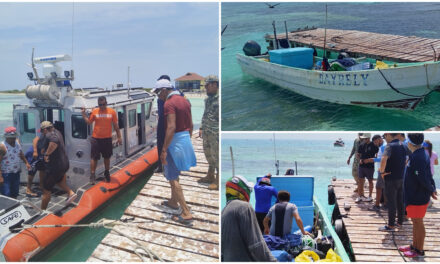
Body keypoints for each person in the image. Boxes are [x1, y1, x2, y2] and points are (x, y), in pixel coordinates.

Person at [153, 79, 196, 225]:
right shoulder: (185, 100)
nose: (158, 96)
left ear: (165, 90)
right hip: (184, 138)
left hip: (174, 140)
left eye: (158, 92)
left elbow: (171, 127)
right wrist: (188, 140)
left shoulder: (169, 103)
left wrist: (164, 149)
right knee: (176, 174)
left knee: (172, 176)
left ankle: (186, 212)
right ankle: (173, 201)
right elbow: (190, 124)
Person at [399, 133, 437, 258]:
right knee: (415, 221)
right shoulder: (418, 154)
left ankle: (419, 250)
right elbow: (427, 175)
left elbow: (423, 177)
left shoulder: (419, 156)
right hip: (414, 194)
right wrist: (432, 187)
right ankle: (414, 246)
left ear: (410, 142)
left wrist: (431, 189)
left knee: (418, 222)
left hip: (418, 195)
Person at [221, 175, 276, 262]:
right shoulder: (244, 207)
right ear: (241, 191)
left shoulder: (224, 211)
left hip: (258, 213)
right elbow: (256, 244)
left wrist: (265, 176)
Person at [82, 96, 122, 184]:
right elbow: (89, 122)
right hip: (96, 139)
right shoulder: (95, 111)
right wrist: (84, 115)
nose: (102, 106)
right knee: (94, 157)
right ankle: (92, 175)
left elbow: (116, 126)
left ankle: (107, 173)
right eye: (100, 105)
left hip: (107, 139)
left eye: (103, 104)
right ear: (98, 104)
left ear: (106, 103)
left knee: (107, 157)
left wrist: (119, 137)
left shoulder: (112, 112)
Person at [39, 121, 77, 210]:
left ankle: (42, 211)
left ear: (45, 129)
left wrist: (47, 154)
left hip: (55, 167)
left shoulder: (49, 134)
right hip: (64, 164)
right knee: (59, 181)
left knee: (46, 190)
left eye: (42, 131)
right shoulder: (57, 131)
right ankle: (71, 193)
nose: (42, 133)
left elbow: (54, 142)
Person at [379, 133, 407, 231]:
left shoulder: (389, 146)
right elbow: (407, 158)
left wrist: (382, 172)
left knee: (391, 202)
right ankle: (399, 222)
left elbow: (383, 159)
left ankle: (390, 225)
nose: (385, 139)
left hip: (390, 178)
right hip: (400, 177)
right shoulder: (403, 144)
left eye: (385, 137)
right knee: (400, 201)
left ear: (388, 135)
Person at [197, 75, 219, 190]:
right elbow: (205, 114)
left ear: (215, 84)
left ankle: (218, 180)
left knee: (217, 156)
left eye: (207, 85)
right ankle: (210, 175)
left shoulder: (220, 99)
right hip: (207, 132)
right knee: (208, 154)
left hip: (216, 134)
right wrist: (201, 127)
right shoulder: (208, 99)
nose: (205, 88)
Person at [0, 127, 31, 198]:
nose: (13, 139)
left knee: (15, 192)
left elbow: (21, 153)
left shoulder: (17, 142)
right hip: (6, 174)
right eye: (11, 137)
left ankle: (13, 207)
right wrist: (0, 177)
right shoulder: (2, 146)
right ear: (6, 137)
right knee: (6, 194)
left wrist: (26, 162)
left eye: (14, 137)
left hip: (16, 172)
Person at [356, 133, 378, 202]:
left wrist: (369, 160)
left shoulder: (374, 146)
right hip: (361, 166)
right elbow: (358, 154)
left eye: (365, 138)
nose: (364, 139)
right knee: (360, 181)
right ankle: (359, 196)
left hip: (370, 167)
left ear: (369, 138)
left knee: (370, 181)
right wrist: (360, 159)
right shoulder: (361, 145)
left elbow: (377, 157)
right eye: (364, 138)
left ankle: (370, 196)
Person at [371, 134, 386, 210]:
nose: (375, 144)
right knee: (384, 187)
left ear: (380, 139)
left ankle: (377, 205)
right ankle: (385, 204)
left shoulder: (383, 147)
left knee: (378, 187)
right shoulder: (382, 146)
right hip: (382, 169)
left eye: (376, 142)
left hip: (382, 169)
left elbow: (383, 159)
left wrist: (372, 159)